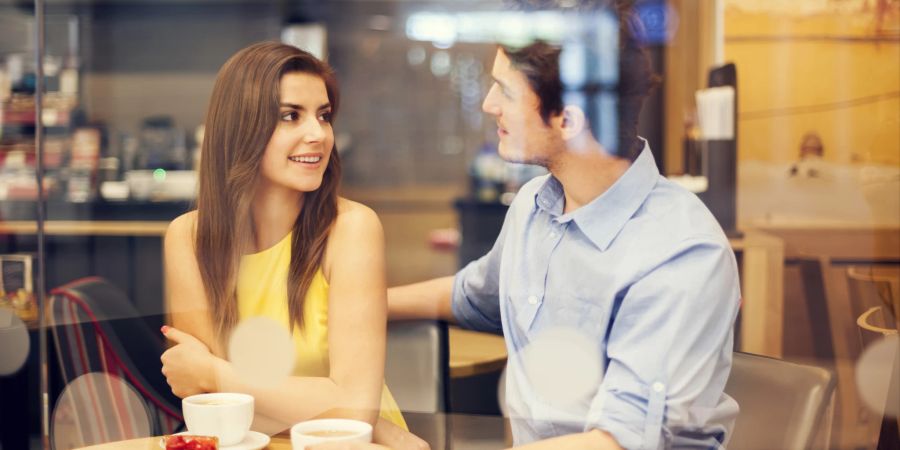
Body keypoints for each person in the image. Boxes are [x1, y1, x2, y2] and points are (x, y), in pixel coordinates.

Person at [388, 7, 741, 450]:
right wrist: (351, 302)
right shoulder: (534, 207)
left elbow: (617, 442)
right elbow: (474, 296)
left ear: (569, 120)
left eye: (505, 91)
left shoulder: (681, 253)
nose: (488, 104)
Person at [160, 41, 426, 449]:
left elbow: (355, 411)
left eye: (324, 115)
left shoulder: (352, 229)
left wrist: (216, 373)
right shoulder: (188, 238)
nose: (317, 134)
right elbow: (212, 406)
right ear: (241, 127)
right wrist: (335, 405)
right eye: (290, 116)